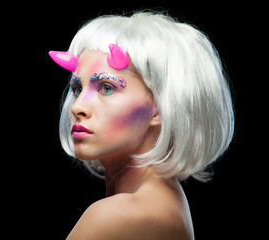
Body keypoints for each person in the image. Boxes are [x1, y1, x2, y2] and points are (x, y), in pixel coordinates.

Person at [49, 11, 234, 239]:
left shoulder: (117, 216)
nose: (78, 107)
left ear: (161, 107)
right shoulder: (167, 200)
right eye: (77, 88)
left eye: (107, 88)